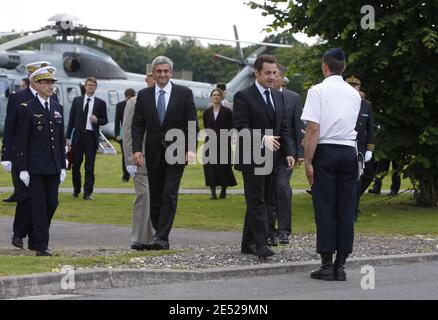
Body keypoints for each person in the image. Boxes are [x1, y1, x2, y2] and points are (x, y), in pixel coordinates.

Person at [301, 48, 361, 281]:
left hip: (326, 150)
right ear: (343, 68)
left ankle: (326, 264)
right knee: (345, 208)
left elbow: (313, 129)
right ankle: (341, 264)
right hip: (348, 150)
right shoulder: (354, 94)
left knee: (325, 207)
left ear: (325, 66)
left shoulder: (317, 91)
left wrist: (308, 161)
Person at [131, 56, 198, 250]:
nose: (162, 75)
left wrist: (191, 149)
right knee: (156, 195)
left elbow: (192, 123)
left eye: (166, 71)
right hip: (152, 153)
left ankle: (161, 236)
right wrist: (137, 149)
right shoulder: (144, 95)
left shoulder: (183, 93)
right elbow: (137, 125)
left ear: (171, 72)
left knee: (170, 193)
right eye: (159, 71)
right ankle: (160, 239)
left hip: (177, 151)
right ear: (153, 73)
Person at [233, 54, 295, 258]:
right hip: (251, 157)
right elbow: (241, 127)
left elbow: (283, 126)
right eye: (267, 73)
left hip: (273, 157)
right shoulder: (243, 96)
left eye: (274, 73)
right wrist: (262, 139)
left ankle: (247, 243)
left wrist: (288, 152)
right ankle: (261, 244)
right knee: (257, 201)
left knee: (267, 200)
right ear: (257, 73)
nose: (271, 77)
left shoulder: (277, 96)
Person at [1, 61, 52, 250]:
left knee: (40, 199)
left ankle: (34, 236)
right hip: (20, 155)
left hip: (41, 157)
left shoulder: (49, 98)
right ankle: (19, 232)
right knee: (25, 196)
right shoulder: (18, 97)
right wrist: (5, 154)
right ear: (32, 77)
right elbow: (10, 127)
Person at [17, 66, 66, 256]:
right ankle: (41, 245)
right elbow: (23, 141)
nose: (50, 86)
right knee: (39, 206)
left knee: (52, 203)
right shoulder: (28, 108)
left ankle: (36, 235)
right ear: (36, 85)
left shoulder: (57, 107)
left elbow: (60, 139)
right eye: (46, 82)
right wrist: (23, 169)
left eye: (52, 82)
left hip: (53, 165)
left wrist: (63, 165)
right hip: (35, 167)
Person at [267, 64, 305, 246]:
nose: (273, 78)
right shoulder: (264, 97)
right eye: (271, 74)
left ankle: (283, 230)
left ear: (282, 78)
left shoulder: (293, 98)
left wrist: (300, 152)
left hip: (286, 153)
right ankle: (269, 230)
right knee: (269, 190)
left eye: (276, 75)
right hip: (266, 151)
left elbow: (297, 126)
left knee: (282, 187)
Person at [122, 93, 155, 250]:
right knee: (144, 196)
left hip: (159, 159)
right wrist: (129, 160)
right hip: (140, 158)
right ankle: (138, 238)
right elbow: (128, 132)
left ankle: (151, 238)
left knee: (155, 198)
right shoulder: (134, 102)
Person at [66, 77, 108, 200]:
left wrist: (97, 120)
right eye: (89, 85)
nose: (90, 87)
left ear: (95, 88)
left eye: (93, 85)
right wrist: (68, 139)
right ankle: (76, 190)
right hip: (78, 136)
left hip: (91, 137)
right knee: (76, 166)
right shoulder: (77, 101)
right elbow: (71, 120)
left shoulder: (101, 103)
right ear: (85, 86)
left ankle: (87, 193)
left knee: (89, 167)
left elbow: (105, 120)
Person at [345, 75, 375, 219]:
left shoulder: (366, 105)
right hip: (344, 143)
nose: (353, 89)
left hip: (360, 147)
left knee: (363, 177)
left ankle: (353, 208)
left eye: (355, 87)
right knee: (349, 178)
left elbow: (370, 128)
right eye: (350, 86)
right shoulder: (339, 103)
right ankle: (349, 210)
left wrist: (370, 149)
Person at [202, 88, 237, 199]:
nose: (216, 97)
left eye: (218, 95)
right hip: (210, 143)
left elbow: (231, 127)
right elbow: (206, 126)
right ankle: (212, 192)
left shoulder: (227, 112)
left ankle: (223, 189)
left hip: (223, 142)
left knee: (223, 167)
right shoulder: (207, 112)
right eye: (214, 95)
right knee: (210, 167)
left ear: (221, 97)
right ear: (211, 97)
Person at [115, 88, 136, 183]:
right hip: (124, 133)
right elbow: (117, 121)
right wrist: (117, 134)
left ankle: (136, 174)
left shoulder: (138, 104)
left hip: (136, 133)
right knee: (125, 155)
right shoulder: (120, 106)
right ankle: (126, 176)